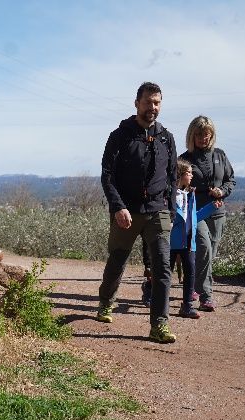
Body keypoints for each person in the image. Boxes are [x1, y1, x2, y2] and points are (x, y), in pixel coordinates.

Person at [95, 81, 178, 344]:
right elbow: (107, 176)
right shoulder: (120, 135)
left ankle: (159, 325)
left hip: (158, 211)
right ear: (136, 103)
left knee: (163, 267)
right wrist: (118, 206)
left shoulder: (167, 137)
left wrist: (171, 211)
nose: (152, 107)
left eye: (157, 103)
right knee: (118, 260)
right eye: (148, 102)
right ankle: (106, 302)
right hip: (126, 212)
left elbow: (173, 177)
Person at [179, 116, 235, 312]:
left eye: (207, 135)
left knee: (209, 256)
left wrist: (222, 191)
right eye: (199, 135)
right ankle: (206, 296)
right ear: (191, 136)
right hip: (195, 212)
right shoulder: (184, 159)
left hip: (218, 212)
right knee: (203, 248)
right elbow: (177, 185)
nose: (203, 138)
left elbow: (230, 181)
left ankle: (194, 284)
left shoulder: (220, 156)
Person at [171, 158, 223, 319]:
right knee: (165, 274)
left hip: (188, 241)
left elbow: (193, 218)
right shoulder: (170, 194)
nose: (192, 176)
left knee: (190, 274)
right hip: (171, 242)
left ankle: (187, 306)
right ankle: (154, 296)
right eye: (189, 173)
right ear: (179, 174)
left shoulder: (190, 194)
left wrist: (211, 208)